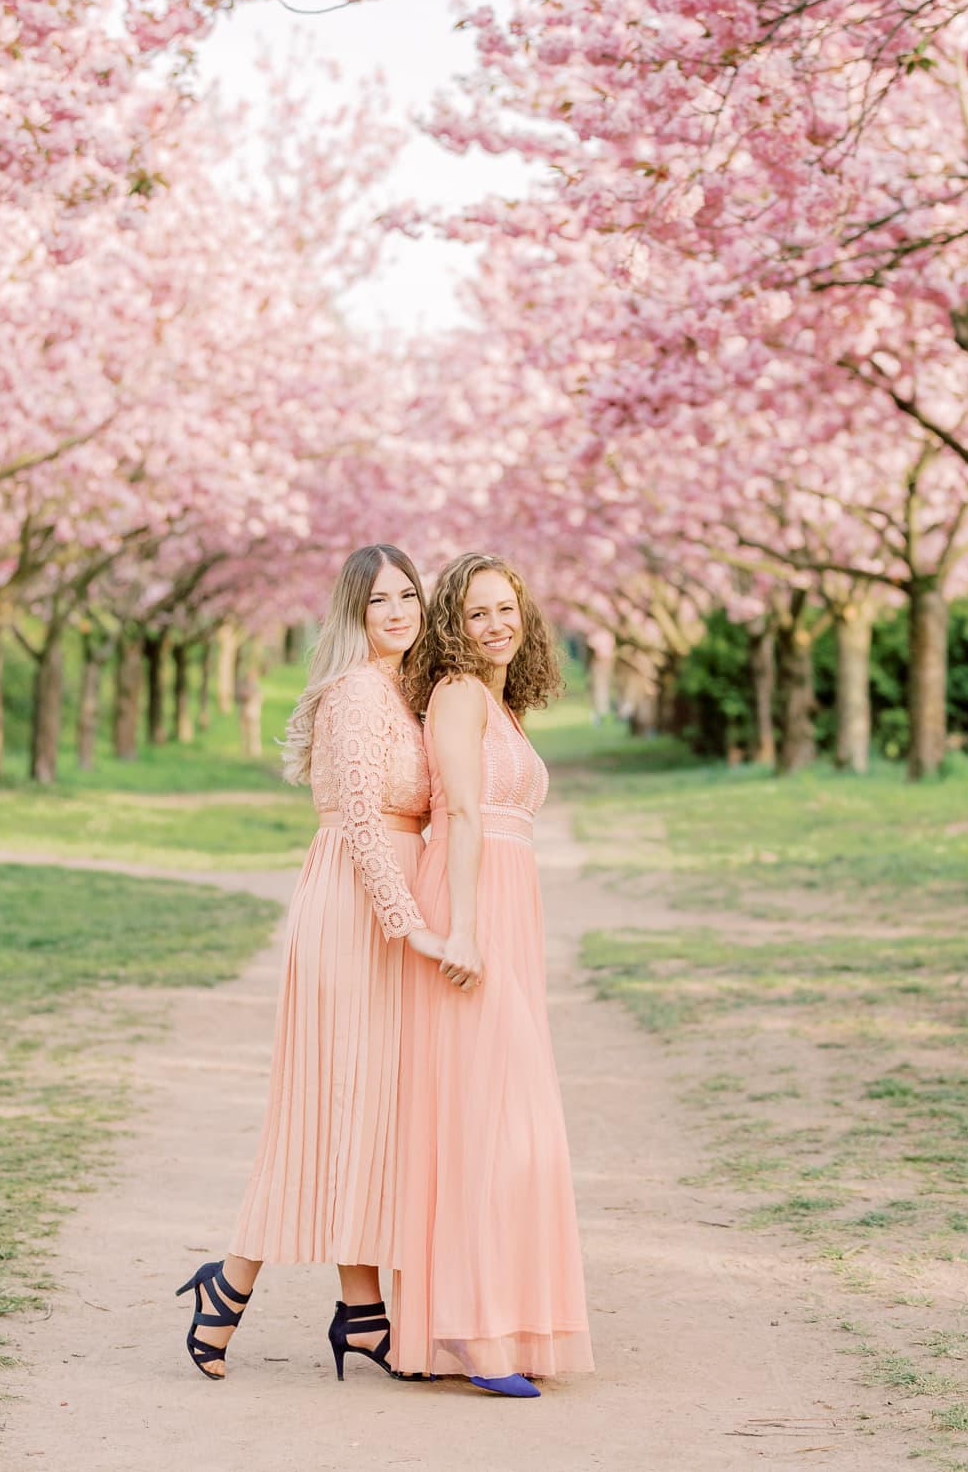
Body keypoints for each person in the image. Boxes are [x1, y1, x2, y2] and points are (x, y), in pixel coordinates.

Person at [176, 543, 452, 1380]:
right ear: (352, 614)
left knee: (370, 1108)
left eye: (409, 595)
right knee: (329, 1105)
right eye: (379, 602)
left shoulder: (403, 691)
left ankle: (362, 1311)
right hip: (355, 910)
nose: (398, 612)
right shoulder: (356, 694)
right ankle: (227, 1284)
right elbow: (366, 826)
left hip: (388, 901)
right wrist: (409, 923)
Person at [392, 551, 594, 1396]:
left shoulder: (503, 704)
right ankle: (472, 1331)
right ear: (451, 623)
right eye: (475, 613)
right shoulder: (459, 694)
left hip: (510, 904)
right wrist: (465, 930)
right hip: (470, 903)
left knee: (514, 1112)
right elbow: (463, 812)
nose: (494, 625)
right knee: (483, 1116)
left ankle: (497, 1314)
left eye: (505, 608)